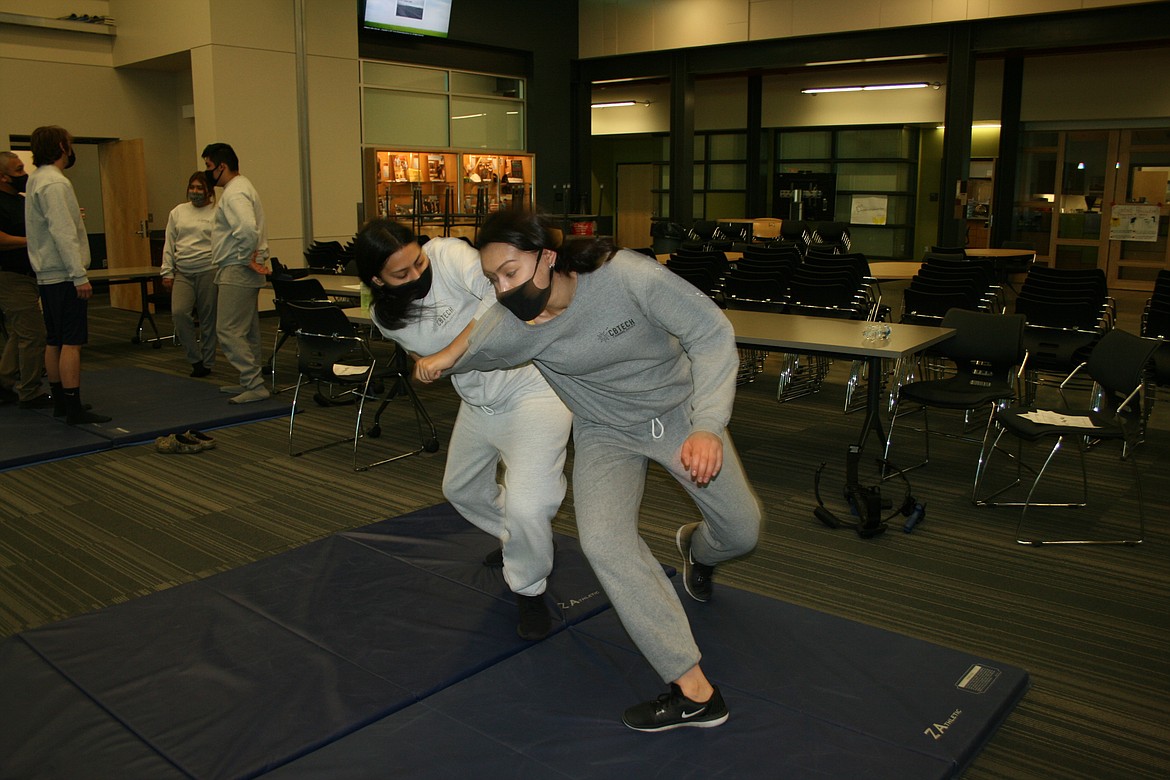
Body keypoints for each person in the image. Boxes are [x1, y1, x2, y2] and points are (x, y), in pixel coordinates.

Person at [415, 208, 762, 732]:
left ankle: (698, 548)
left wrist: (709, 425)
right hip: (605, 434)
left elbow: (710, 333)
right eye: (492, 279)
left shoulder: (625, 276)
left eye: (510, 272)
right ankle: (692, 689)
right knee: (604, 543)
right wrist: (441, 358)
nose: (503, 289)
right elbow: (480, 333)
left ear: (547, 257)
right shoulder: (514, 325)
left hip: (680, 416)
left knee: (741, 532)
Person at [353, 219, 572, 640]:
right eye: (401, 274)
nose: (418, 274)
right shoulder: (386, 317)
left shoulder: (449, 255)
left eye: (418, 262)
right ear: (377, 280)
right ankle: (525, 540)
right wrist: (439, 362)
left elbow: (505, 301)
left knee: (529, 503)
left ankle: (528, 587)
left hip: (534, 389)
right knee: (462, 490)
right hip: (478, 400)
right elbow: (430, 358)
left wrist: (450, 352)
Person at [24, 126, 110, 425]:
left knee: (55, 339)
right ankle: (72, 408)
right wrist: (78, 275)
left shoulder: (36, 178)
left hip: (47, 273)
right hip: (63, 273)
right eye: (70, 144)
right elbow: (62, 233)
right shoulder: (55, 183)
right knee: (71, 341)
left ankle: (61, 402)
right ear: (62, 146)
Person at [202, 142, 269, 404]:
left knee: (228, 329)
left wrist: (245, 259)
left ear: (222, 166)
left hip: (237, 268)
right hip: (241, 267)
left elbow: (247, 229)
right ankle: (250, 381)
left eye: (209, 166)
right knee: (246, 329)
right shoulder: (241, 187)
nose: (206, 172)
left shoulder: (235, 193)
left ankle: (254, 383)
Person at [0, 151, 51, 409]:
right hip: (10, 277)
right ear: (3, 177)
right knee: (34, 335)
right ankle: (30, 391)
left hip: (30, 275)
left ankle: (4, 381)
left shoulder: (21, 201)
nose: (24, 174)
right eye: (18, 170)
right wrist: (31, 241)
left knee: (18, 333)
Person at [160, 171, 218, 378]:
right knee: (179, 313)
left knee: (208, 319)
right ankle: (195, 358)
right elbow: (170, 243)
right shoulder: (178, 212)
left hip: (208, 270)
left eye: (199, 188)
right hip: (183, 271)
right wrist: (167, 271)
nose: (195, 192)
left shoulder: (217, 212)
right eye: (192, 187)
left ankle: (208, 361)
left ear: (209, 191)